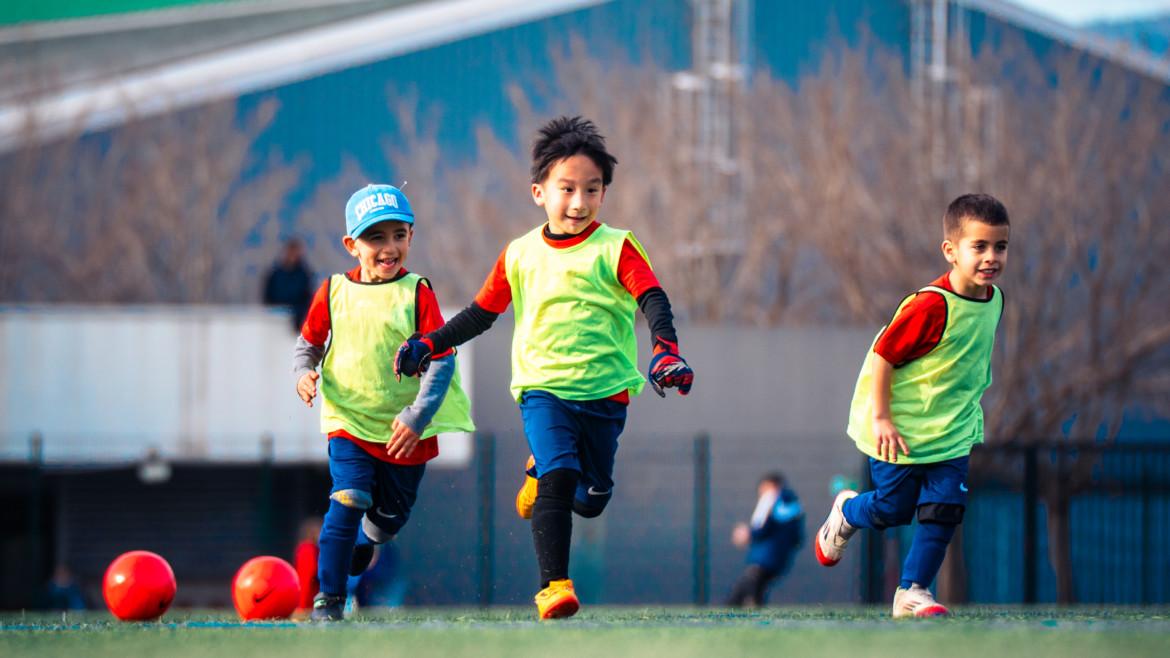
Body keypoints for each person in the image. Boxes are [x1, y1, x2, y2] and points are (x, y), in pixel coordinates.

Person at [394, 116, 694, 620]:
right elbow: (479, 314)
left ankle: (539, 474)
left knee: (593, 497)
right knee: (561, 474)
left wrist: (666, 349)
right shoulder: (519, 254)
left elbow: (653, 298)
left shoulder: (616, 246)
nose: (579, 202)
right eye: (567, 188)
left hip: (606, 394)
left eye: (592, 190)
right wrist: (430, 342)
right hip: (543, 390)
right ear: (539, 192)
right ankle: (553, 586)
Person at [814, 193, 1010, 618]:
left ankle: (912, 591)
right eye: (979, 246)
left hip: (951, 432)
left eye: (1000, 246)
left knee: (944, 513)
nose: (991, 256)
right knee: (892, 509)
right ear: (951, 251)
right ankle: (846, 511)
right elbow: (884, 355)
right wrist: (881, 417)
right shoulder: (930, 305)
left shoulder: (995, 299)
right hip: (898, 429)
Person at [293, 183, 475, 621]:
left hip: (403, 431)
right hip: (349, 421)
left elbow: (443, 360)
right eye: (376, 237)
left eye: (398, 235)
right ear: (351, 245)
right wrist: (303, 373)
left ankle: (366, 541)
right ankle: (329, 601)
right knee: (348, 497)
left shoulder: (418, 293)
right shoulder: (333, 292)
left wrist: (418, 415)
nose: (389, 247)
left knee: (387, 523)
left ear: (410, 237)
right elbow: (307, 342)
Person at [727, 473, 803, 607]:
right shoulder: (792, 502)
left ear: (770, 485)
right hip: (781, 557)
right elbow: (797, 538)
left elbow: (762, 527)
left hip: (766, 557)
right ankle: (752, 604)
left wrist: (747, 533)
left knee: (745, 587)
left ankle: (747, 605)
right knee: (756, 585)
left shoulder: (772, 498)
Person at [263, 236, 316, 331]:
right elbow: (268, 293)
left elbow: (307, 296)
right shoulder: (276, 273)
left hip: (296, 313)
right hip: (276, 313)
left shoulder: (304, 274)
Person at [293, 516, 323, 614]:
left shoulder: (307, 547)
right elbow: (311, 572)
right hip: (307, 593)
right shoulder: (309, 548)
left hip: (308, 591)